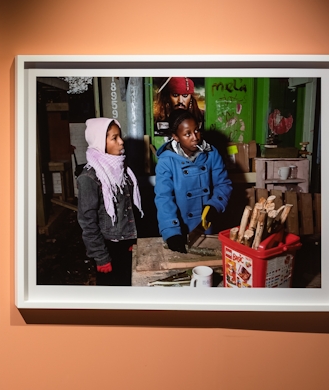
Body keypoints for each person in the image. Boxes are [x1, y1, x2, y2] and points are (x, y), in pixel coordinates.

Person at [155, 108, 232, 254]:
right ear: (175, 137)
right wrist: (171, 232)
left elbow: (223, 184)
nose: (195, 137)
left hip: (206, 226)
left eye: (196, 130)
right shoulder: (166, 162)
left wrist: (215, 205)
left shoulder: (211, 153)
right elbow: (164, 198)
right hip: (180, 228)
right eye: (187, 134)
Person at [76, 118, 142, 287]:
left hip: (124, 243)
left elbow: (128, 207)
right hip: (106, 247)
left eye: (120, 136)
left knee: (128, 286)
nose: (121, 142)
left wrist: (131, 239)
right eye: (114, 138)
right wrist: (101, 256)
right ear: (100, 142)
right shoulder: (89, 177)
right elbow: (87, 222)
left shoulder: (122, 169)